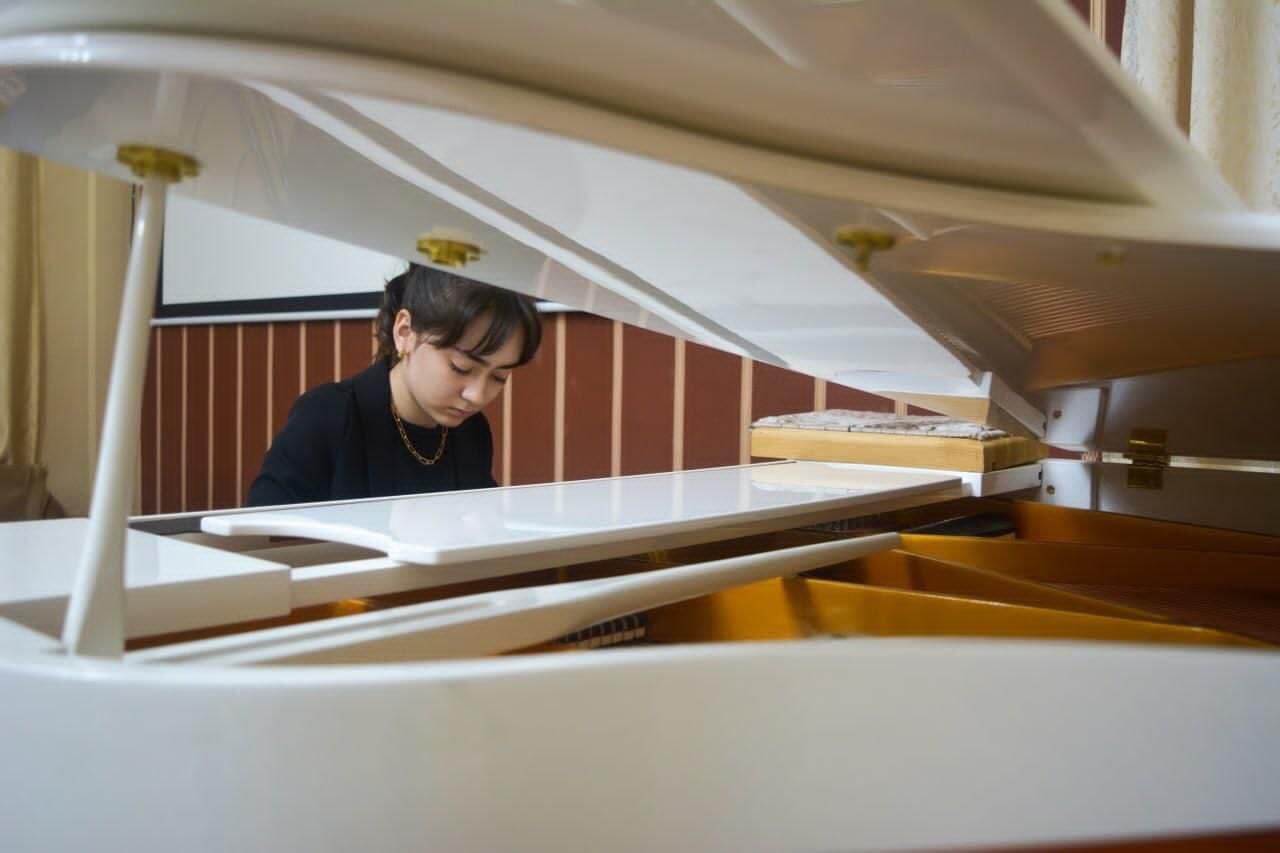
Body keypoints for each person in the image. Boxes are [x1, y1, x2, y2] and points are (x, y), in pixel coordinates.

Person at [247, 264, 542, 506]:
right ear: (405, 333)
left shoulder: (472, 432)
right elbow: (264, 539)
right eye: (460, 368)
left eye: (499, 377)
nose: (477, 396)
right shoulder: (327, 415)